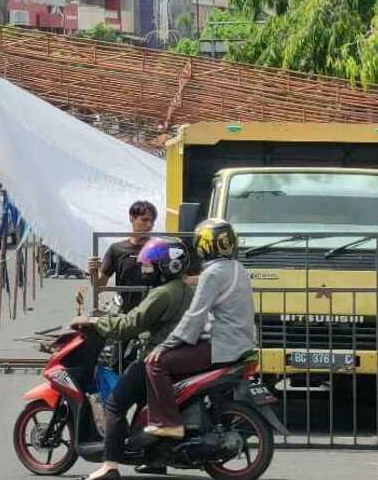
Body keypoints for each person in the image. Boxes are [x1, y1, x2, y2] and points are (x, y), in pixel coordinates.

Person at [70, 237, 194, 480]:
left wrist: (93, 321)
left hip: (156, 355)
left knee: (116, 403)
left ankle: (110, 465)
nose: (146, 270)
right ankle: (153, 459)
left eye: (151, 265)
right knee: (143, 404)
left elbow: (130, 324)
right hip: (175, 353)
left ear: (168, 266)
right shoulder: (184, 289)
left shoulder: (162, 294)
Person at [144, 219, 256, 439]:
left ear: (204, 245)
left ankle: (168, 423)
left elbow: (195, 316)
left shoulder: (212, 274)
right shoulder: (238, 269)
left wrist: (165, 345)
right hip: (241, 343)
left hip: (221, 346)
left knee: (156, 364)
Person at [88, 200, 160, 314]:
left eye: (152, 221)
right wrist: (93, 271)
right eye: (145, 220)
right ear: (132, 218)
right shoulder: (117, 249)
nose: (149, 225)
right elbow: (99, 285)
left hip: (154, 314)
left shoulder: (159, 249)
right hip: (126, 315)